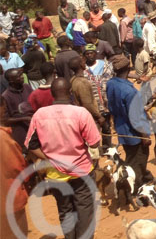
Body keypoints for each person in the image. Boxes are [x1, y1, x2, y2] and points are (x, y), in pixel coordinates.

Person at [25, 77, 100, 239]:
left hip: (55, 174)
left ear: (52, 94)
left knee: (65, 211)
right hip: (82, 172)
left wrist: (49, 158)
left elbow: (31, 145)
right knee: (85, 211)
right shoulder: (81, 113)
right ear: (71, 93)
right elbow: (94, 143)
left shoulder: (39, 115)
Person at [106, 54, 154, 190]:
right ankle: (137, 188)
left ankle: (147, 177)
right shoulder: (130, 92)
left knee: (134, 157)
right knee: (138, 160)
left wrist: (136, 77)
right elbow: (136, 118)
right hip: (135, 133)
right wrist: (144, 135)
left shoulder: (111, 83)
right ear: (129, 68)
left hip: (121, 128)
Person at [0, 95, 29, 238]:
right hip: (9, 197)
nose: (5, 109)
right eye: (3, 106)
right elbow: (17, 166)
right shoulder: (2, 138)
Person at [1, 68, 33, 148]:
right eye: (19, 76)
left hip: (33, 128)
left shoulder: (27, 87)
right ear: (11, 81)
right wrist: (24, 119)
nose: (22, 77)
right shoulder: (6, 96)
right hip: (20, 133)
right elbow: (5, 120)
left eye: (21, 75)